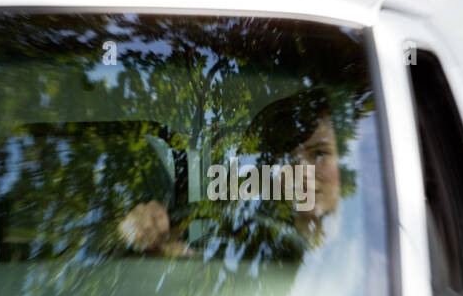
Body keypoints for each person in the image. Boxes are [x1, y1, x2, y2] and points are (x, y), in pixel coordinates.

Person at [118, 90, 342, 257]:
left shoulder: (369, 250)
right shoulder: (247, 240)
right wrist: (143, 232)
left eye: (320, 154)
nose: (302, 172)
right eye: (288, 159)